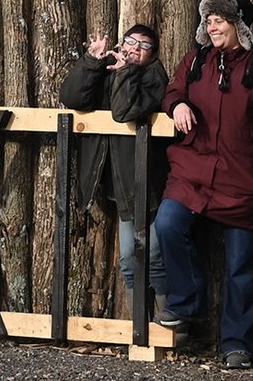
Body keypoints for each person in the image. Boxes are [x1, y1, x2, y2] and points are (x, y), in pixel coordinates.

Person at [154, 0, 253, 370]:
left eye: (219, 19)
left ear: (238, 24)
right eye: (208, 19)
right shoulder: (196, 61)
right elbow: (172, 90)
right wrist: (176, 104)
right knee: (167, 226)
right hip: (192, 171)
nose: (211, 27)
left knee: (241, 264)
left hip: (244, 177)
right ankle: (187, 302)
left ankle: (237, 344)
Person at [58, 24, 170, 309]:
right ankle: (138, 329)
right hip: (121, 182)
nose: (134, 48)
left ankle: (168, 324)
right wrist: (92, 62)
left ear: (152, 54)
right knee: (128, 260)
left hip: (147, 181)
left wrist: (124, 72)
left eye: (143, 46)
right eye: (130, 41)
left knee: (154, 255)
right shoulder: (109, 67)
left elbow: (123, 112)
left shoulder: (154, 76)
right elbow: (72, 98)